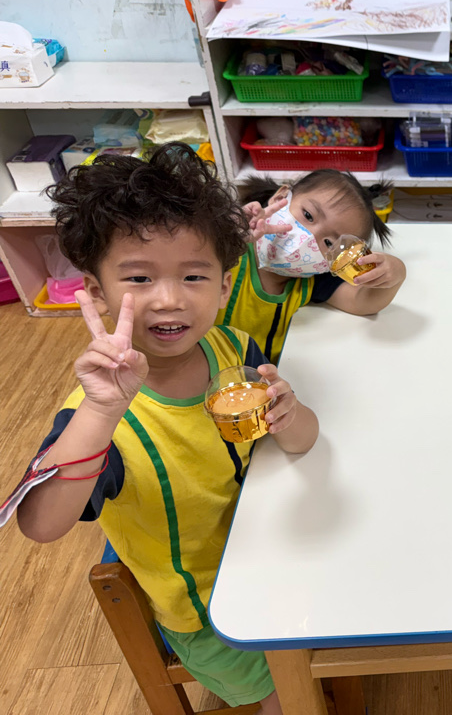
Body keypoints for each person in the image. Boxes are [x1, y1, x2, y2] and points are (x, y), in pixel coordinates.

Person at [17, 144, 320, 715]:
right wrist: (101, 413)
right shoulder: (99, 416)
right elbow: (40, 525)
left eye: (194, 275)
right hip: (205, 609)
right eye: (138, 277)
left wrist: (290, 413)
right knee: (291, 699)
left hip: (271, 550)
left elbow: (303, 441)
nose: (169, 299)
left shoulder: (233, 349)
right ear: (97, 292)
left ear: (224, 286)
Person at [228, 170, 407, 363]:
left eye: (329, 243)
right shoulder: (228, 253)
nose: (309, 237)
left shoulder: (311, 281)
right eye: (308, 215)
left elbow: (363, 302)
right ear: (281, 197)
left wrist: (396, 273)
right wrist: (226, 232)